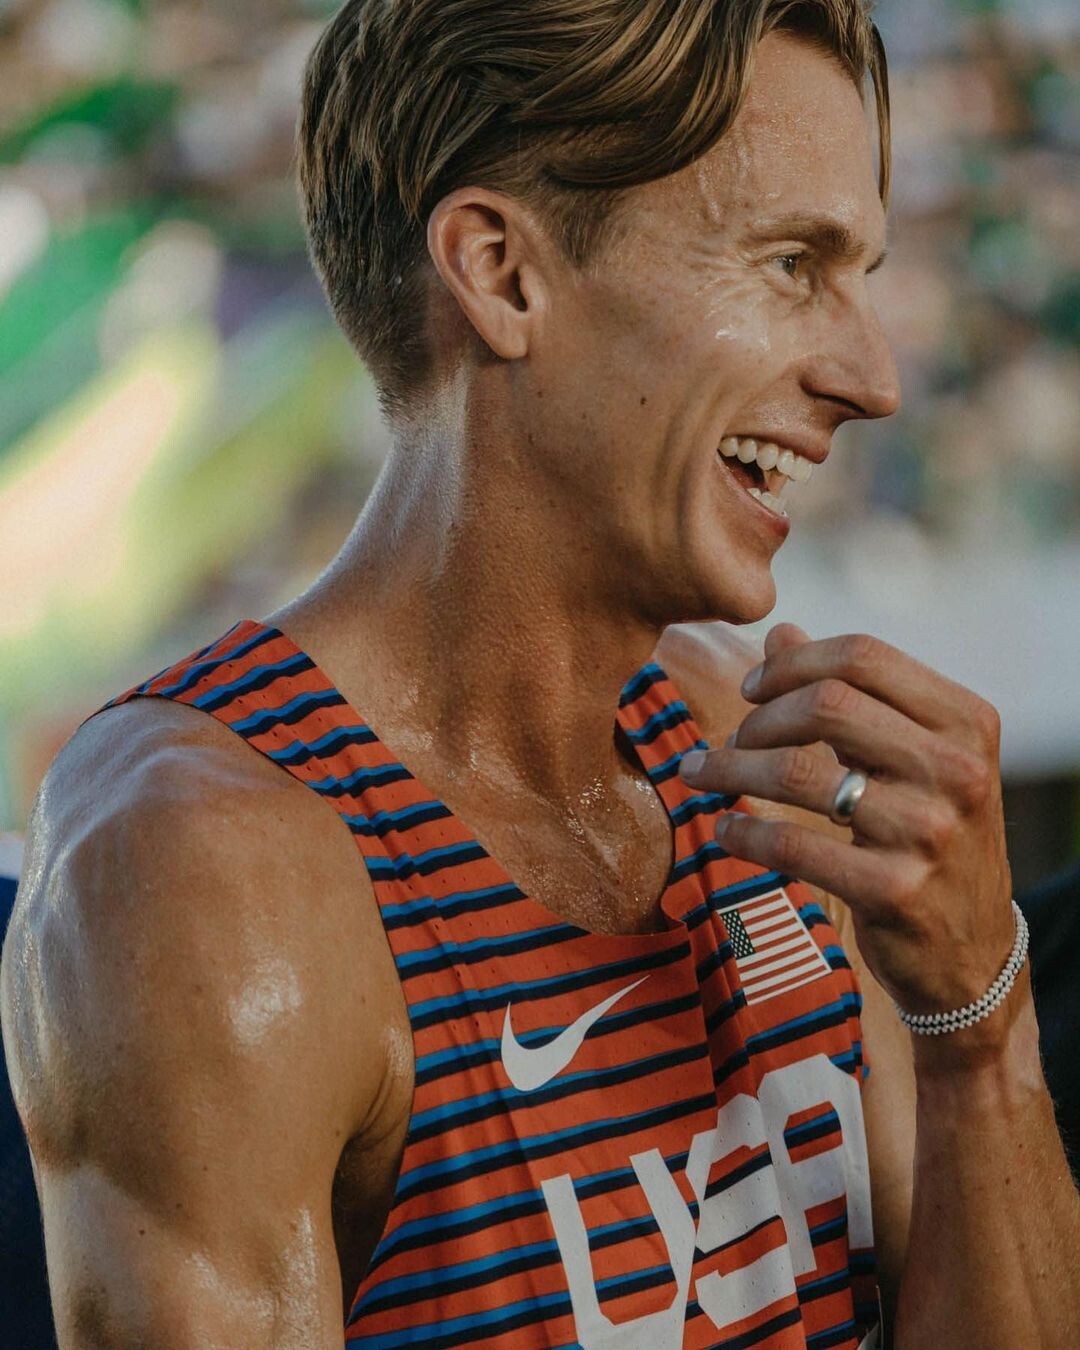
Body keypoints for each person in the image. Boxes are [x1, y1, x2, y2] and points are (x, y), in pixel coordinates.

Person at [2, 1, 1078, 1346]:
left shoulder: (757, 746)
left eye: (862, 273)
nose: (874, 378)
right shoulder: (206, 868)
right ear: (503, 274)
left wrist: (980, 1030)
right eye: (792, 264)